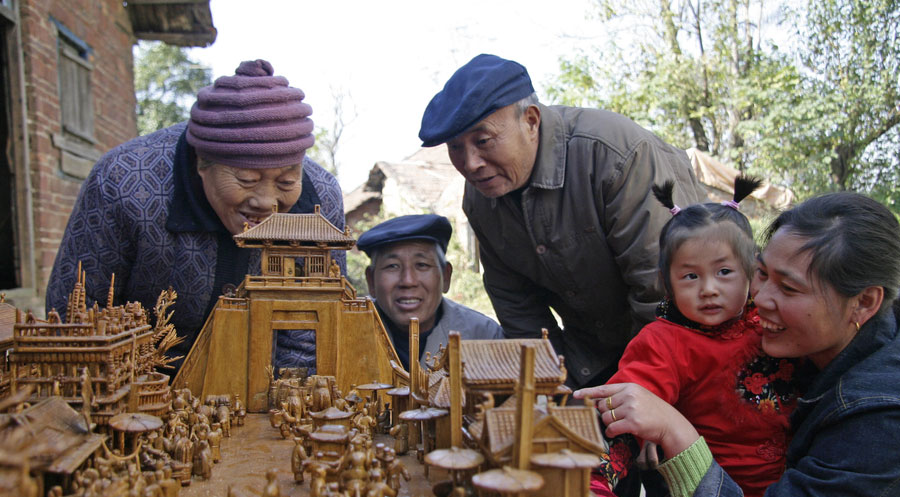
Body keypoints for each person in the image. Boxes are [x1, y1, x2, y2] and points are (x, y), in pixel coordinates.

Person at [578, 192, 900, 497]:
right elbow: (633, 398)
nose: (761, 300)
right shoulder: (781, 335)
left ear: (864, 302)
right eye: (763, 274)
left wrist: (678, 434)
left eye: (789, 288)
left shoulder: (882, 416)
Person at [418, 53, 707, 389]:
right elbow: (519, 310)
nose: (470, 164)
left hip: (685, 348)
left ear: (531, 120)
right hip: (591, 359)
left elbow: (662, 294)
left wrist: (634, 391)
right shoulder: (481, 198)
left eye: (483, 141)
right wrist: (553, 392)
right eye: (455, 148)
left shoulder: (614, 155)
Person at [46, 59, 345, 373]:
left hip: (266, 382)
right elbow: (74, 317)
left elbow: (316, 326)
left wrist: (283, 396)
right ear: (202, 164)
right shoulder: (123, 183)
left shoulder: (321, 196)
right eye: (246, 179)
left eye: (286, 182)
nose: (267, 201)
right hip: (139, 381)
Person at [599, 178, 805, 497]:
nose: (708, 289)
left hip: (795, 492)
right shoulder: (664, 343)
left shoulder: (771, 322)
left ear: (753, 273)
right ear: (668, 284)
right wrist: (604, 465)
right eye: (690, 277)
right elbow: (627, 401)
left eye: (724, 271)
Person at [357, 214, 503, 370]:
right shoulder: (346, 334)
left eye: (422, 265)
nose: (408, 281)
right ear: (371, 280)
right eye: (392, 266)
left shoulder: (483, 336)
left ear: (446, 277)